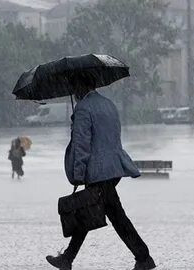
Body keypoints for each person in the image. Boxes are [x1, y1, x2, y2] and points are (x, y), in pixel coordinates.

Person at [46, 75, 156, 270]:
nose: (73, 92)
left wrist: (78, 173)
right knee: (93, 212)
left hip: (97, 172)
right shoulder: (108, 104)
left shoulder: (83, 108)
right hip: (113, 169)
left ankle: (144, 257)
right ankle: (67, 258)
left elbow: (82, 145)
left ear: (81, 85)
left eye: (74, 87)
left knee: (111, 216)